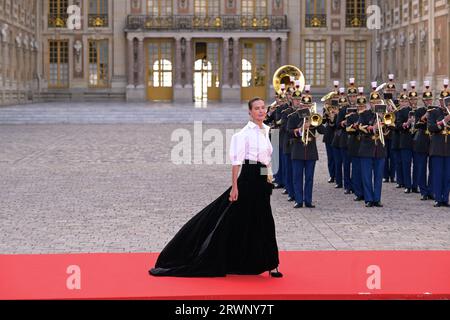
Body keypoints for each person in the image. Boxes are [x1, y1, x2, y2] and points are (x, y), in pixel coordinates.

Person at [149, 97, 283, 277]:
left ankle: (268, 263)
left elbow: (268, 160)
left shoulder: (269, 131)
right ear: (249, 112)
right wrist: (234, 187)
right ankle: (211, 255)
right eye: (256, 108)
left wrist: (268, 178)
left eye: (262, 108)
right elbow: (237, 163)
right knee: (232, 218)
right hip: (248, 179)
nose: (260, 111)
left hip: (262, 180)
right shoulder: (242, 134)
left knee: (262, 221)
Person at [287, 85, 325, 208]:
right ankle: (298, 200)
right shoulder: (293, 117)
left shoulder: (314, 117)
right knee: (297, 177)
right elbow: (288, 132)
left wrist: (318, 120)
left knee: (309, 178)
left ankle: (308, 200)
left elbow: (323, 131)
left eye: (308, 106)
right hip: (297, 149)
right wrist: (301, 128)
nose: (306, 108)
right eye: (304, 106)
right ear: (300, 106)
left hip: (311, 151)